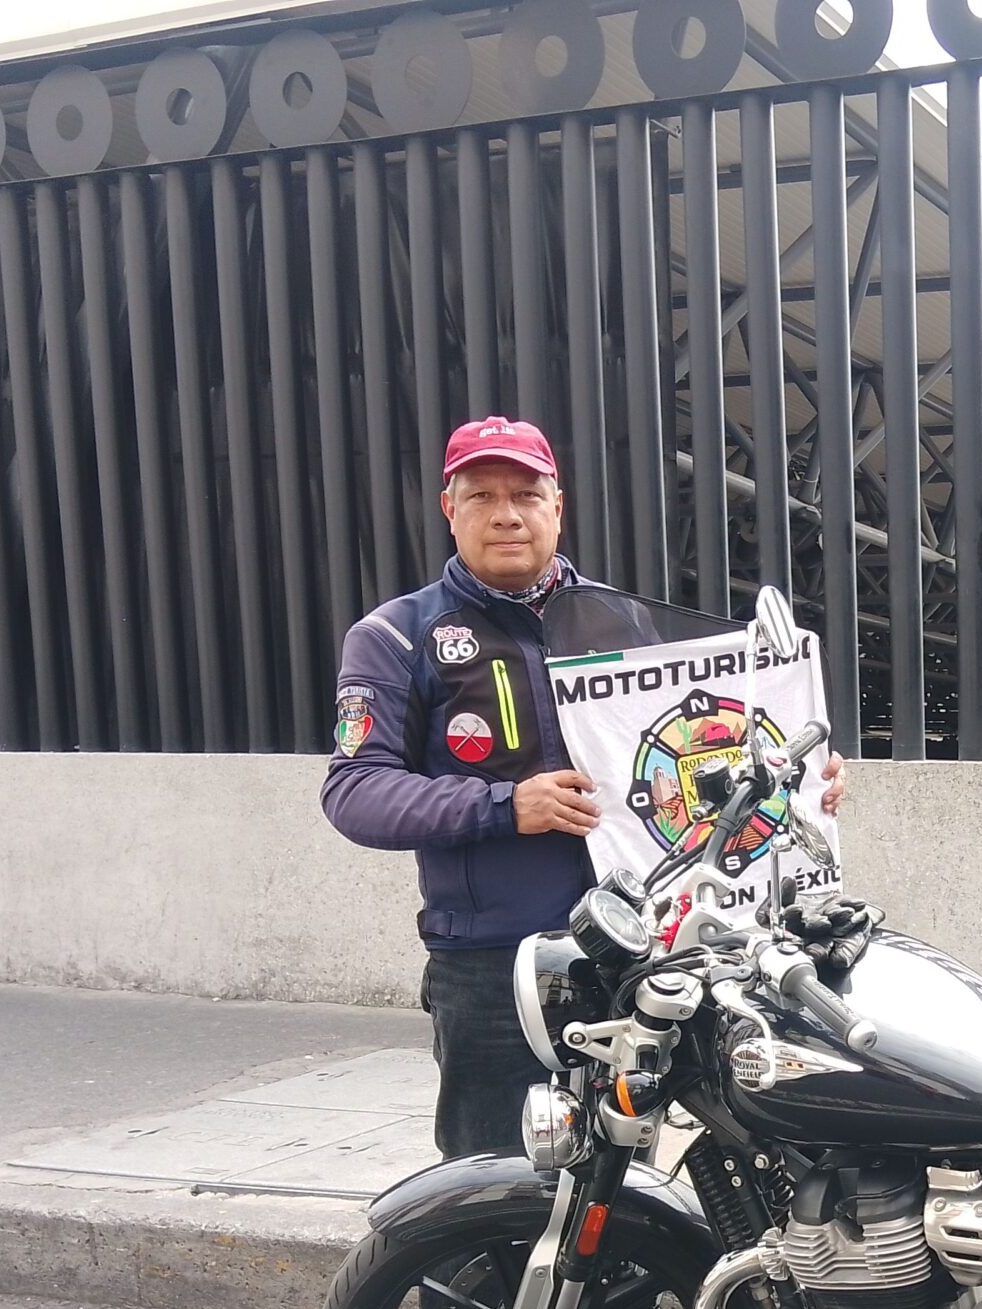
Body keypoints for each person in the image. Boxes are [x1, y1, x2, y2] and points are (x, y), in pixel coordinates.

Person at [322, 416, 849, 1163]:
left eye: (526, 494)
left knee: (620, 1181)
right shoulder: (394, 637)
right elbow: (355, 792)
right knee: (490, 1183)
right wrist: (506, 807)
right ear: (450, 509)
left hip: (640, 953)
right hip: (494, 965)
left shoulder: (630, 623)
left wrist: (802, 778)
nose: (506, 513)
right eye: (481, 495)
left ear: (557, 507)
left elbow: (717, 745)